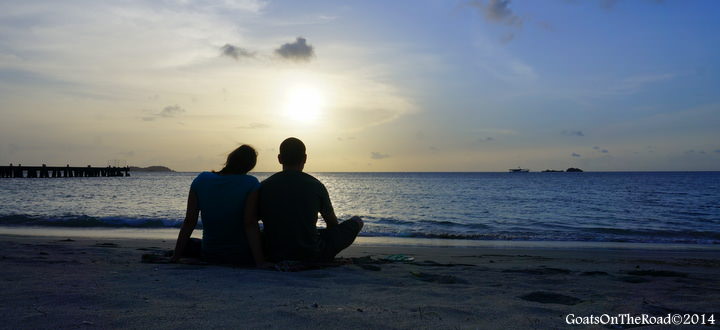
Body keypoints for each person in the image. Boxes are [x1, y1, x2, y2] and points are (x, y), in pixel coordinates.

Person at [249, 137, 363, 263]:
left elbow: (252, 222)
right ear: (305, 158)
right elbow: (332, 224)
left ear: (280, 159)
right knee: (357, 221)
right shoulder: (316, 185)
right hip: (311, 254)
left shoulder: (264, 185)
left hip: (273, 253)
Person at [171, 144, 264, 265]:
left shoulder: (202, 179)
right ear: (250, 165)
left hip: (209, 253)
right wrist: (260, 262)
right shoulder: (251, 183)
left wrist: (175, 257)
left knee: (192, 243)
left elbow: (189, 221)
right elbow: (250, 223)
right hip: (241, 255)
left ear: (230, 159)